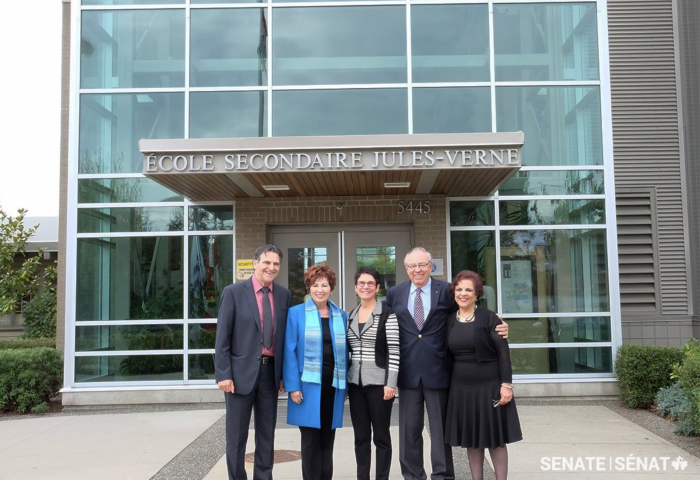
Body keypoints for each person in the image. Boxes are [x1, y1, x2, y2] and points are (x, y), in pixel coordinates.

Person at [385, 247, 508, 480]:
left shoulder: (445, 291)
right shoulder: (395, 293)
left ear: (431, 266)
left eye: (422, 265)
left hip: (439, 370)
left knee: (441, 431)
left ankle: (442, 475)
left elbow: (466, 313)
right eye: (412, 266)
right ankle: (412, 475)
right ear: (406, 269)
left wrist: (494, 323)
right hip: (408, 371)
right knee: (409, 431)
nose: (417, 270)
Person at [214, 245, 291, 480]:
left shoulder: (283, 294)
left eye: (276, 264)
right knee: (236, 436)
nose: (271, 267)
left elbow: (283, 338)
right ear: (256, 262)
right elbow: (222, 338)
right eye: (267, 262)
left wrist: (283, 376)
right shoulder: (234, 292)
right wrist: (223, 374)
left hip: (270, 374)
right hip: (238, 376)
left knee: (267, 434)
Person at [445, 270, 522, 480]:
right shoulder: (450, 319)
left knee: (495, 439)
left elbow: (503, 353)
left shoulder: (489, 317)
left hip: (489, 387)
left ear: (477, 294)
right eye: (459, 289)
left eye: (469, 290)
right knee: (472, 439)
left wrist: (507, 385)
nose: (463, 293)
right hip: (462, 389)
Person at [283, 264, 348, 480]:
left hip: (333, 386)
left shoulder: (341, 315)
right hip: (307, 387)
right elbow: (289, 351)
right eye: (315, 285)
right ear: (309, 287)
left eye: (325, 285)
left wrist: (346, 384)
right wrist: (293, 386)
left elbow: (347, 352)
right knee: (310, 441)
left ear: (331, 288)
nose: (320, 289)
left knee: (328, 441)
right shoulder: (295, 314)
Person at [347, 266, 400, 480]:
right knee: (360, 437)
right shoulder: (350, 315)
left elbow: (395, 350)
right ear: (355, 287)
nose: (365, 286)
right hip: (355, 386)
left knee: (381, 437)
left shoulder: (387, 314)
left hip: (380, 385)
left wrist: (391, 383)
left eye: (370, 283)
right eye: (361, 283)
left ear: (377, 287)